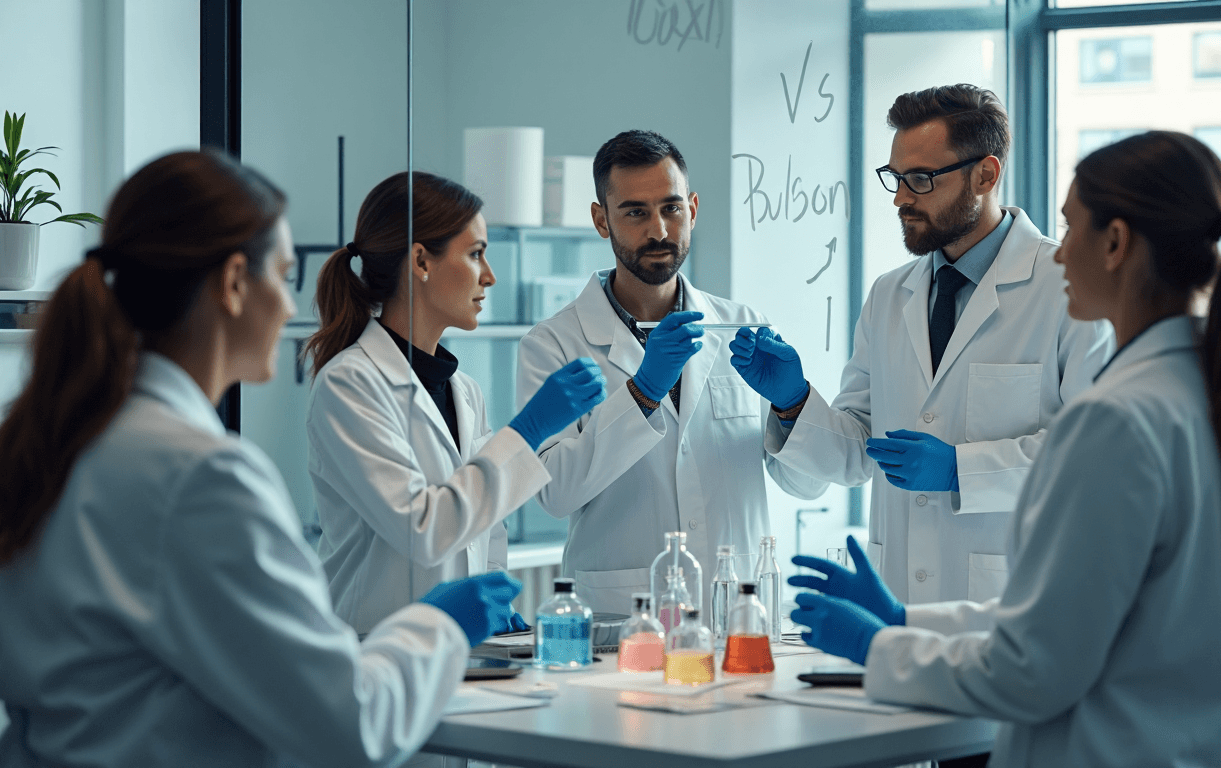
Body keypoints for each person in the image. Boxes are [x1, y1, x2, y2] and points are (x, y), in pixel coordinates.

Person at [789, 130, 1221, 768]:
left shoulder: (1118, 419)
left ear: (1116, 243)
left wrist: (878, 649)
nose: (1060, 255)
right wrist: (907, 619)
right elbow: (1082, 617)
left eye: (1071, 230)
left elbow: (1033, 669)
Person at [0, 151, 524, 766]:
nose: (289, 302)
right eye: (280, 273)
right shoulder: (201, 477)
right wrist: (438, 625)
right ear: (232, 284)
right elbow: (350, 722)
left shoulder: (57, 440)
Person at [732, 84, 1113, 605]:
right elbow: (859, 452)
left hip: (1015, 598)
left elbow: (1094, 459)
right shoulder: (890, 294)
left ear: (986, 174)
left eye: (920, 179)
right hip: (899, 599)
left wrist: (962, 469)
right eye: (896, 177)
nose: (900, 198)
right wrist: (794, 401)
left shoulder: (1067, 288)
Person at [515, 130, 827, 613]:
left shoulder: (743, 327)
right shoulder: (553, 343)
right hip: (623, 615)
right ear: (601, 220)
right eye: (635, 212)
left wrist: (793, 404)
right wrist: (642, 393)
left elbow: (808, 484)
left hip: (735, 607)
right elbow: (554, 494)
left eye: (671, 208)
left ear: (694, 209)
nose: (658, 230)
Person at [306, 172, 605, 635]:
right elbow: (424, 530)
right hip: (376, 646)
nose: (490, 276)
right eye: (476, 254)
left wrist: (492, 596)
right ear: (421, 261)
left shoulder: (464, 390)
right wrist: (529, 429)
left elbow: (487, 522)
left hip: (459, 650)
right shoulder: (349, 384)